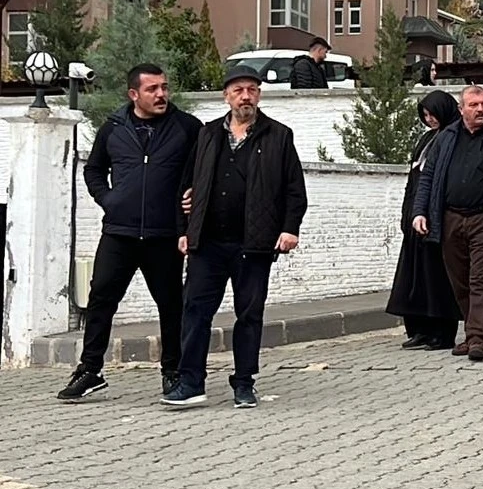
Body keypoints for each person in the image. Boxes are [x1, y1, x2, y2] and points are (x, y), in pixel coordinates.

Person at [162, 66, 307, 409]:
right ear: (226, 96)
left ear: (259, 95)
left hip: (253, 243)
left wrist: (290, 228)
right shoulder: (208, 134)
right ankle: (191, 382)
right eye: (239, 90)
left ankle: (244, 382)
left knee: (249, 315)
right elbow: (185, 186)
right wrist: (184, 231)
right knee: (195, 312)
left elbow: (294, 189)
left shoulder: (278, 135)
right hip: (208, 242)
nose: (246, 97)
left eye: (252, 90)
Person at [57, 65, 202, 401]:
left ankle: (173, 371)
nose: (161, 94)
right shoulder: (113, 128)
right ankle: (90, 370)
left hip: (164, 234)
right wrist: (109, 200)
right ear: (133, 94)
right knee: (100, 299)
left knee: (171, 305)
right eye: (152, 89)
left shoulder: (187, 128)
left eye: (164, 87)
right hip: (119, 233)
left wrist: (195, 193)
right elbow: (94, 169)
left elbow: (204, 169)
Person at [411, 85, 483, 362]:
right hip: (450, 219)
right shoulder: (446, 138)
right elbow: (428, 177)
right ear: (461, 109)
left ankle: (477, 338)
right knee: (460, 281)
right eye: (474, 105)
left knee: (481, 281)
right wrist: (420, 211)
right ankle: (470, 332)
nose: (480, 109)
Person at [387, 90, 462, 350]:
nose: (429, 120)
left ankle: (441, 332)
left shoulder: (454, 138)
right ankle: (420, 328)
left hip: (437, 219)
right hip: (416, 217)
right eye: (426, 115)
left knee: (437, 278)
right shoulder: (428, 138)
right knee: (414, 277)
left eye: (433, 114)